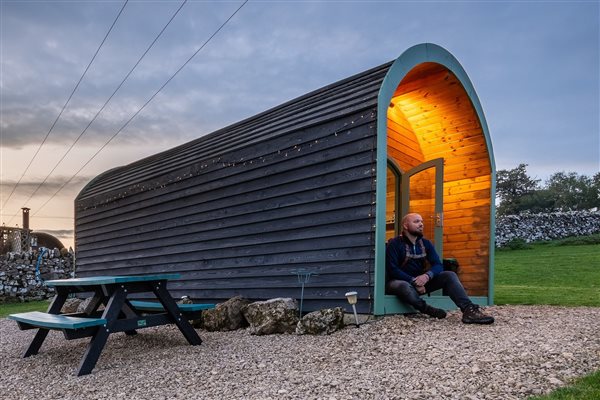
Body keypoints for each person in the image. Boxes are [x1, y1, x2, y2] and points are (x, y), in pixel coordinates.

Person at [386, 213, 494, 324]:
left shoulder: (426, 243)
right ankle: (427, 309)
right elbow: (392, 269)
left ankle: (469, 310)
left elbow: (438, 265)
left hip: (421, 283)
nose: (421, 224)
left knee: (449, 275)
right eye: (416, 221)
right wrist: (414, 282)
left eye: (421, 221)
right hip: (399, 283)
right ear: (405, 225)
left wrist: (427, 276)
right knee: (404, 286)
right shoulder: (394, 244)